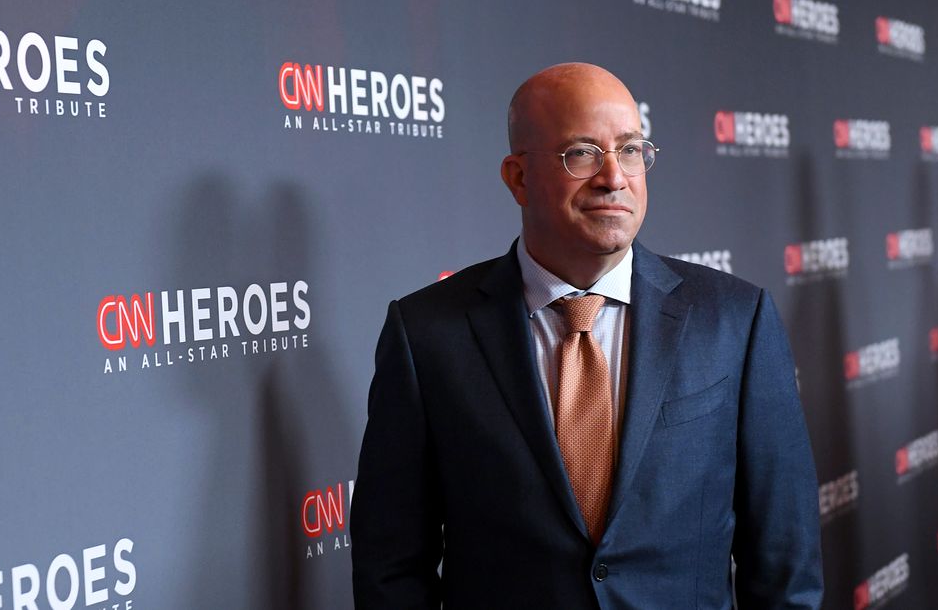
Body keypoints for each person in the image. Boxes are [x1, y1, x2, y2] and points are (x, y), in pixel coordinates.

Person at [351, 63, 823, 609]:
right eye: (581, 153)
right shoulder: (427, 334)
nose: (613, 177)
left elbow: (785, 561)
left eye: (630, 150)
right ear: (518, 178)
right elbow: (391, 565)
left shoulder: (736, 319)